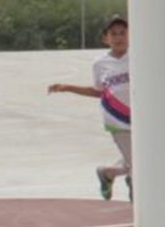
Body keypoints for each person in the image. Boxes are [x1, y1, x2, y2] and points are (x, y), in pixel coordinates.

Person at [48, 14, 133, 198]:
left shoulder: (138, 57)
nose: (119, 37)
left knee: (138, 159)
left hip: (141, 117)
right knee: (137, 162)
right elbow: (98, 91)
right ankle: (135, 184)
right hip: (117, 119)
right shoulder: (100, 64)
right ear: (106, 39)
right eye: (114, 34)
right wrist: (68, 87)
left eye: (123, 33)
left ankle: (107, 173)